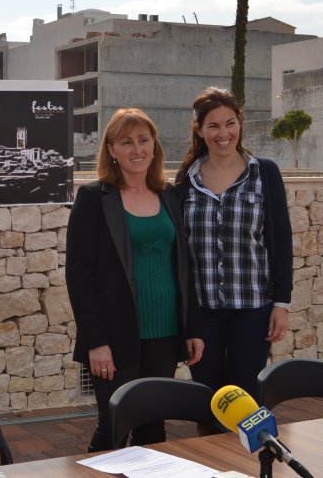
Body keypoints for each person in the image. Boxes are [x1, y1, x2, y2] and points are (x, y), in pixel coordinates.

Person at [66, 108, 204, 452]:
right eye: (126, 142)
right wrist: (96, 341)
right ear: (111, 149)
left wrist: (193, 328)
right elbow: (78, 276)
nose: (137, 149)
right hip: (114, 335)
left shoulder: (169, 195)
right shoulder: (94, 199)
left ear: (155, 146)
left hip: (165, 332)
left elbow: (186, 268)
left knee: (153, 426)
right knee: (114, 426)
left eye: (144, 140)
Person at [175, 87, 292, 398]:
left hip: (253, 309)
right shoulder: (187, 179)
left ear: (240, 124)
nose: (223, 133)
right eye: (213, 125)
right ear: (199, 130)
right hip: (202, 313)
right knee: (207, 398)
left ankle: (248, 449)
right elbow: (181, 254)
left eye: (230, 123)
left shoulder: (264, 172)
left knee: (246, 396)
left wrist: (281, 303)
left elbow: (281, 239)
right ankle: (211, 448)